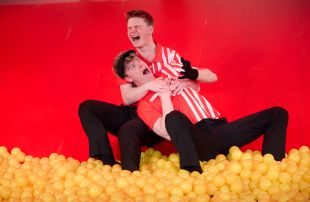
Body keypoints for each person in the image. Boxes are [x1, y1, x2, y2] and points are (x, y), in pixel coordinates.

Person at [79, 10, 217, 171]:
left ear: (150, 29)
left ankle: (130, 175)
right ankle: (105, 161)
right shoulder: (128, 61)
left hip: (157, 112)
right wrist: (147, 86)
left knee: (128, 129)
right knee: (87, 107)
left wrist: (186, 80)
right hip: (134, 109)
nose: (132, 31)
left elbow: (205, 78)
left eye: (137, 26)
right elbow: (127, 99)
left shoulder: (169, 57)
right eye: (129, 28)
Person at [113, 50, 288, 173]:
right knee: (173, 118)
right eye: (132, 67)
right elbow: (168, 132)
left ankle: (273, 169)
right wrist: (164, 94)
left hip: (221, 130)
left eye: (138, 61)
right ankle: (192, 172)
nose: (139, 64)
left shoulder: (170, 74)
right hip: (200, 140)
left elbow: (211, 76)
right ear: (129, 78)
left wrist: (189, 77)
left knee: (277, 114)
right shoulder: (144, 105)